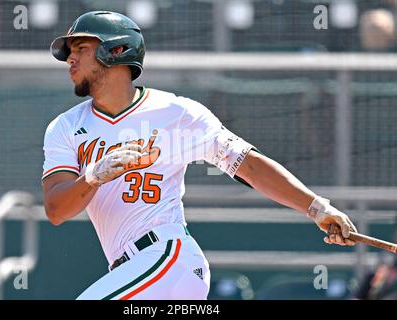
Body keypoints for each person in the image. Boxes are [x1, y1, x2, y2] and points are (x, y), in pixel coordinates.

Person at [43, 11, 357, 300]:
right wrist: (94, 176)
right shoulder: (66, 127)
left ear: (117, 50)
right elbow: (57, 210)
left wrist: (317, 208)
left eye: (81, 48)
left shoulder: (175, 113)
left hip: (167, 258)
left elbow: (248, 164)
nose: (70, 58)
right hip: (128, 271)